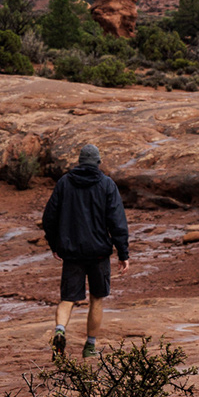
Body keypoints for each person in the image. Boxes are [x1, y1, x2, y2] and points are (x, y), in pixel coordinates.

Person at [39, 143, 129, 359]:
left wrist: (55, 245)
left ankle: (60, 330)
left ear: (79, 162)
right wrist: (123, 253)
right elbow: (117, 221)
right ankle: (90, 347)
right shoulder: (107, 184)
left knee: (67, 299)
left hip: (72, 253)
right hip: (98, 253)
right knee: (97, 298)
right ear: (98, 162)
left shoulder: (64, 183)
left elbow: (49, 218)